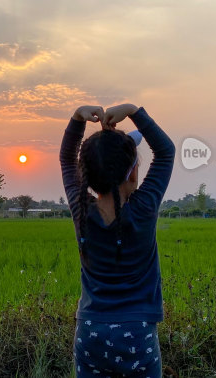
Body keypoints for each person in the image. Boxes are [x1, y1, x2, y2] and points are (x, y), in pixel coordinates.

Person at [60, 103, 175, 377]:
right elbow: (166, 152)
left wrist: (77, 118)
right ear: (133, 173)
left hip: (90, 331)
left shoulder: (82, 211)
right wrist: (134, 111)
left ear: (84, 175)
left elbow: (66, 159)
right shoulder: (144, 208)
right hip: (137, 332)